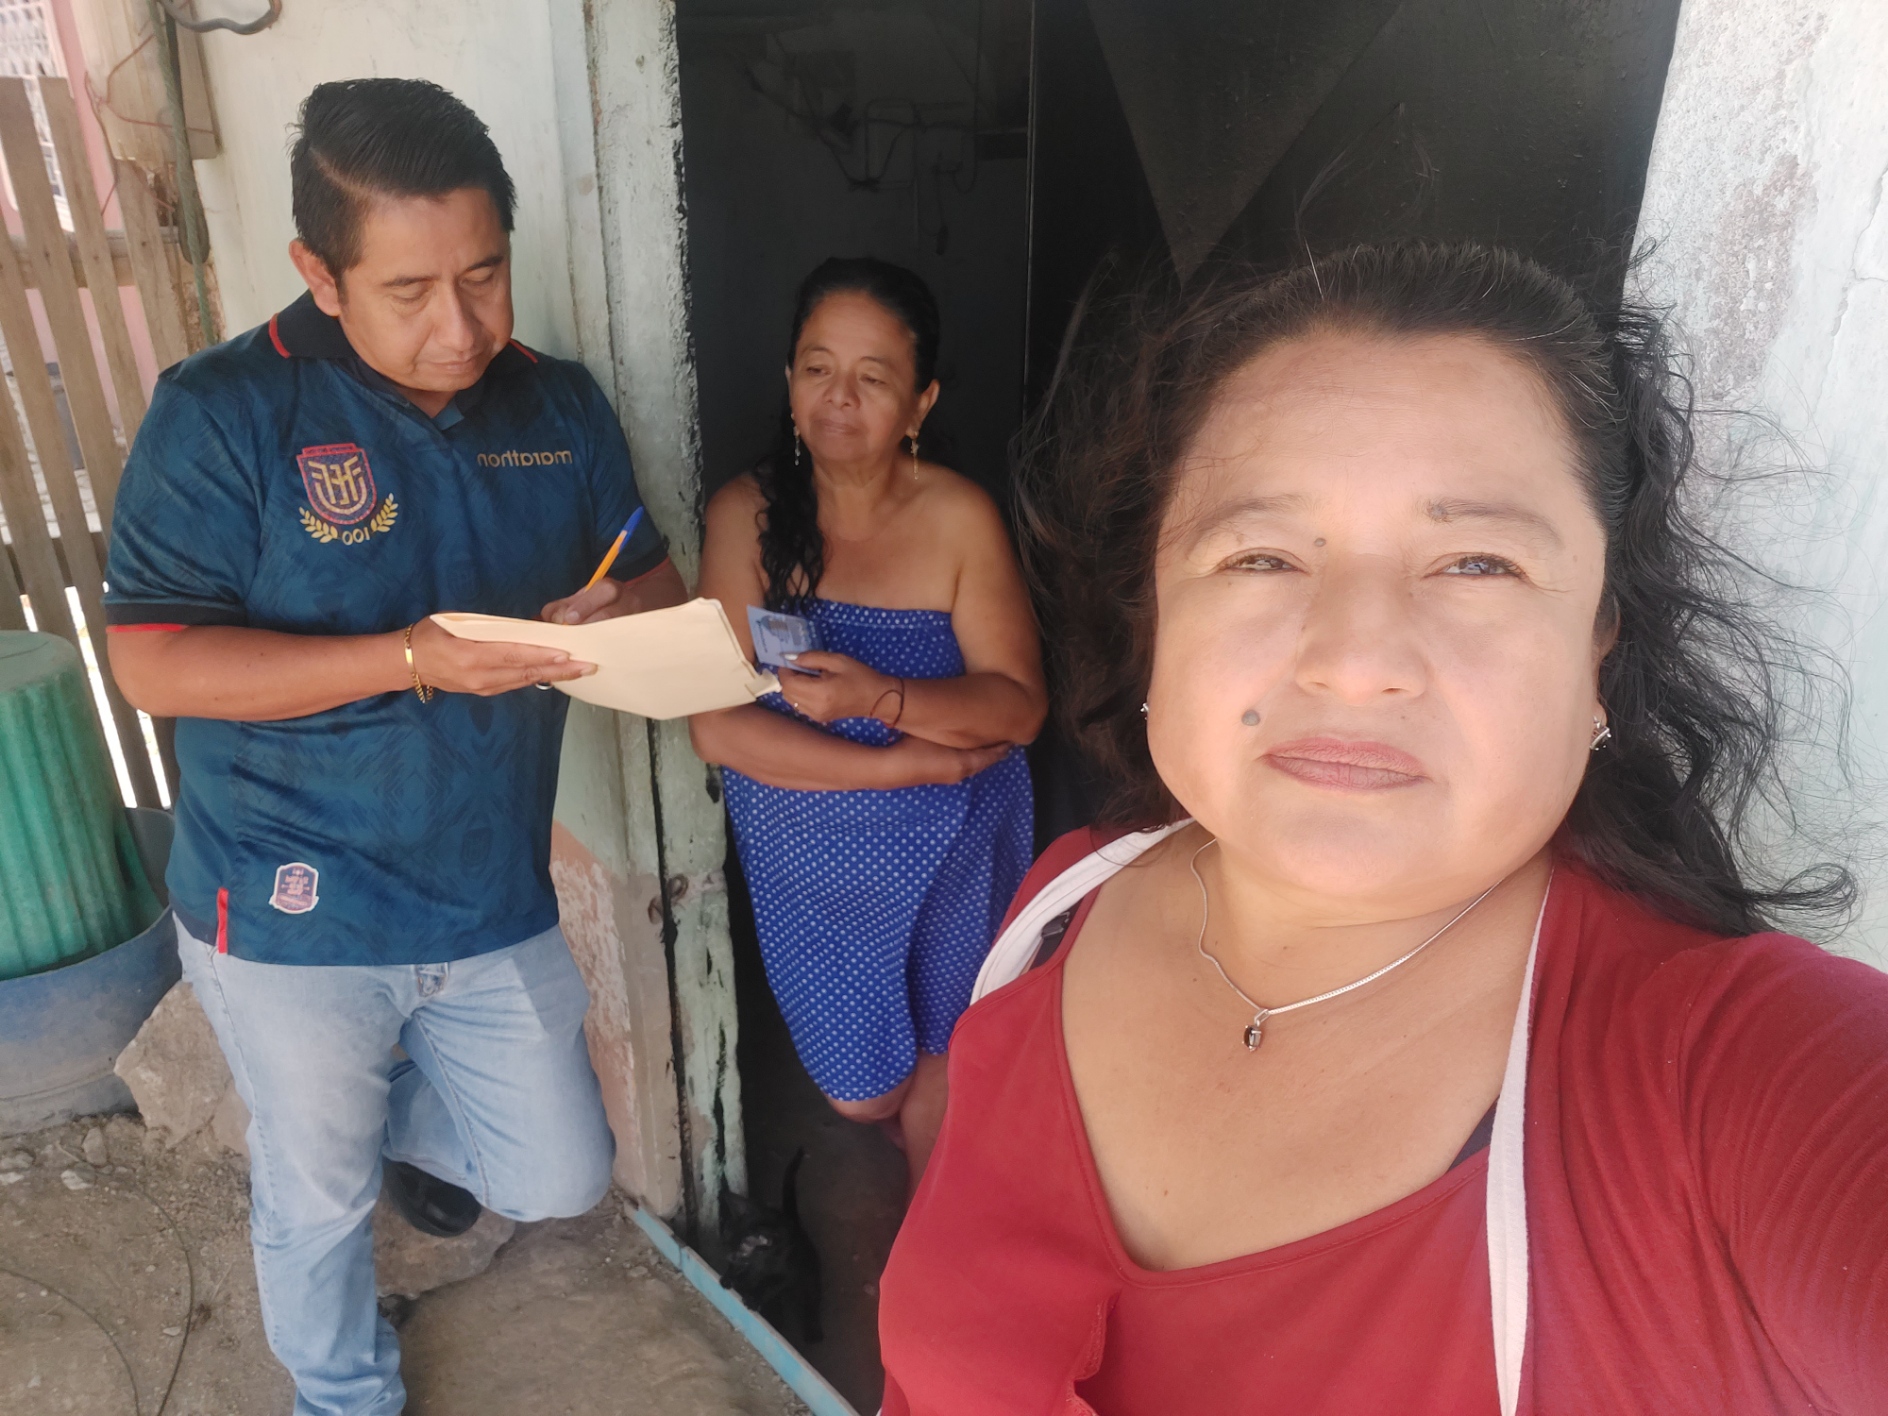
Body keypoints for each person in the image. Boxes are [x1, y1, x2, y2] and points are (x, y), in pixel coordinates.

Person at [877, 243, 1888, 1413]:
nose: (1353, 661)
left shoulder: (1722, 1078)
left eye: (1477, 563)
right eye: (1260, 555)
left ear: (1598, 645)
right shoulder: (1063, 903)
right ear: (1155, 611)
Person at [104, 79, 686, 1416]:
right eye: (410, 291)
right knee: (313, 1198)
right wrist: (410, 655)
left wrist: (614, 617)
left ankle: (387, 1111)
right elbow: (153, 662)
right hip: (290, 904)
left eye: (483, 276)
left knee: (559, 1177)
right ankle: (343, 1396)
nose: (460, 327)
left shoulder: (556, 408)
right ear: (320, 274)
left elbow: (649, 580)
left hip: (486, 892)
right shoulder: (226, 412)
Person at [690, 257, 1045, 1191]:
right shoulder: (745, 517)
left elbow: (1017, 707)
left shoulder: (959, 518)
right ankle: (922, 1137)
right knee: (862, 1093)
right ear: (789, 382)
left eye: (874, 378)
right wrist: (903, 766)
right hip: (812, 850)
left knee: (946, 1050)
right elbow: (717, 731)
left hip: (956, 836)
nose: (839, 398)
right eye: (817, 369)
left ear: (920, 403)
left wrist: (878, 698)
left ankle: (937, 1230)